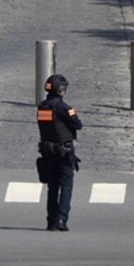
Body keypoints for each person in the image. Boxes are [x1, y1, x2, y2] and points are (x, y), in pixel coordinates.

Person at [36, 73, 83, 231]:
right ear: (61, 91)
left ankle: (50, 221)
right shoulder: (63, 107)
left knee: (52, 188)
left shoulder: (42, 107)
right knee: (66, 185)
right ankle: (61, 219)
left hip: (48, 151)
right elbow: (77, 124)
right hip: (63, 152)